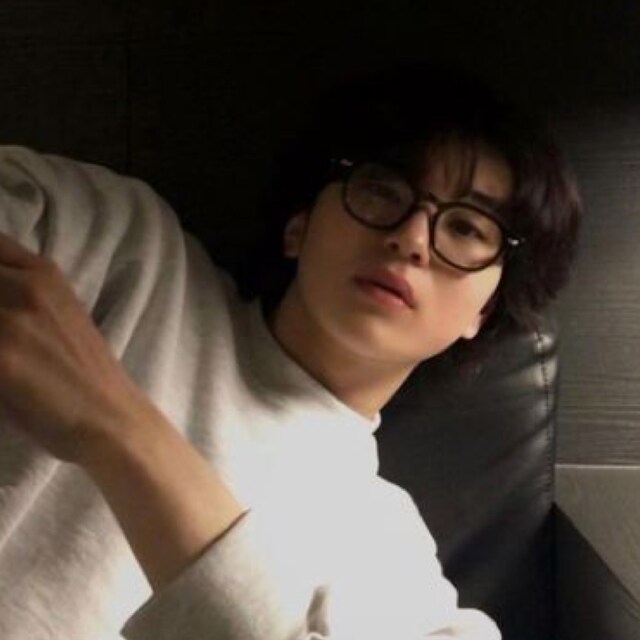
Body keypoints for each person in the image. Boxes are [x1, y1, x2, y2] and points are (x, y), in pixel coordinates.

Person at [0, 63, 580, 639]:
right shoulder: (119, 244)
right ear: (299, 225)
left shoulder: (394, 567)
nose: (412, 238)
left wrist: (112, 423)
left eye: (467, 229)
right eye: (381, 190)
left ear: (485, 310)